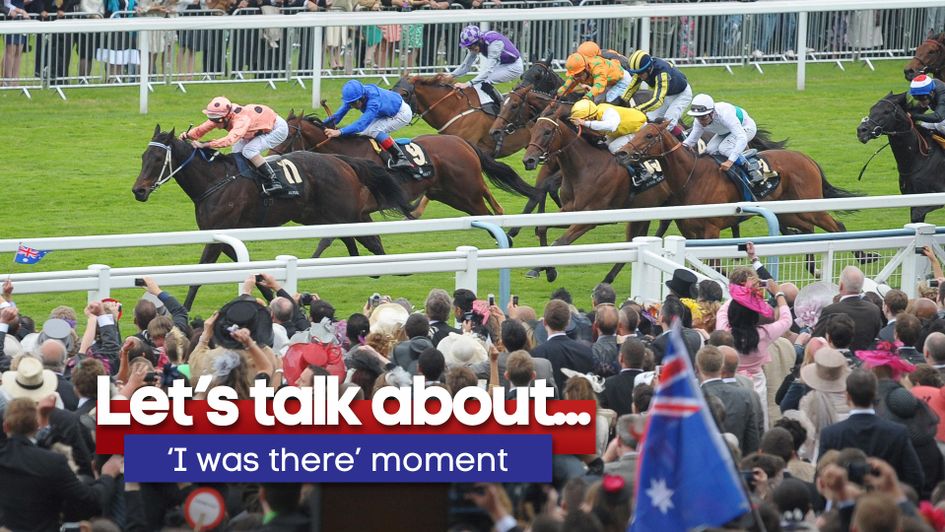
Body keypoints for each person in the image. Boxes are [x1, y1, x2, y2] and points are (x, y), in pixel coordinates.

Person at [181, 96, 297, 197]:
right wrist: (188, 136)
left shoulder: (241, 120)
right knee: (236, 152)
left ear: (226, 117)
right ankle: (248, 181)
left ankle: (275, 181)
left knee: (249, 151)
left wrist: (205, 144)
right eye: (212, 120)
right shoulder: (221, 116)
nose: (215, 124)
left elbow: (229, 140)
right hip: (254, 130)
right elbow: (203, 128)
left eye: (217, 121)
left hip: (276, 129)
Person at [325, 80, 416, 171]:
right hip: (384, 113)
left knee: (374, 130)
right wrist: (322, 125)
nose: (352, 106)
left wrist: (339, 132)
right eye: (350, 104)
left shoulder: (373, 101)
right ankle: (381, 154)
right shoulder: (354, 97)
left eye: (354, 103)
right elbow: (337, 116)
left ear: (362, 97)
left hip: (401, 113)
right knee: (364, 133)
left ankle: (402, 158)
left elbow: (360, 124)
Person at [683, 93, 763, 183]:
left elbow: (742, 138)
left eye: (703, 117)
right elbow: (692, 140)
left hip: (746, 127)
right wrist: (681, 147)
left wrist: (730, 161)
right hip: (725, 131)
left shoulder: (725, 115)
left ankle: (752, 168)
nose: (701, 121)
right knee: (709, 150)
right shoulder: (699, 120)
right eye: (697, 117)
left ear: (712, 113)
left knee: (724, 148)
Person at [449, 25, 523, 108]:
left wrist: (467, 84)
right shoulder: (477, 43)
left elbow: (488, 70)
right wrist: (450, 75)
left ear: (479, 40)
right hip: (502, 64)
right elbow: (466, 65)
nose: (471, 50)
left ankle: (501, 106)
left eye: (473, 47)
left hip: (514, 66)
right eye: (469, 48)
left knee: (484, 81)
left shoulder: (494, 44)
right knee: (480, 81)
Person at [622, 50, 694, 135]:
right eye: (636, 73)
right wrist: (621, 102)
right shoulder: (641, 71)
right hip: (667, 94)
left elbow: (657, 101)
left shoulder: (662, 73)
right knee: (650, 119)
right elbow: (631, 88)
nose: (639, 76)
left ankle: (685, 142)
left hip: (682, 94)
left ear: (649, 69)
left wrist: (637, 109)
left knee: (668, 123)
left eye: (640, 73)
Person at [569, 99, 647, 155]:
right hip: (623, 131)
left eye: (583, 120)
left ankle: (639, 170)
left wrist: (585, 123)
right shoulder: (597, 112)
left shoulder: (607, 111)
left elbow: (611, 126)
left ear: (589, 117)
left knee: (613, 148)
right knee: (601, 145)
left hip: (638, 130)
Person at [556, 50, 630, 105]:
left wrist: (587, 97)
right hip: (608, 83)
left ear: (586, 68)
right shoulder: (578, 69)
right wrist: (558, 94)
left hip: (622, 81)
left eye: (578, 74)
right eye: (575, 74)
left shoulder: (598, 67)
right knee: (596, 101)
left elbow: (599, 85)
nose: (576, 77)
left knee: (608, 102)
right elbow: (568, 85)